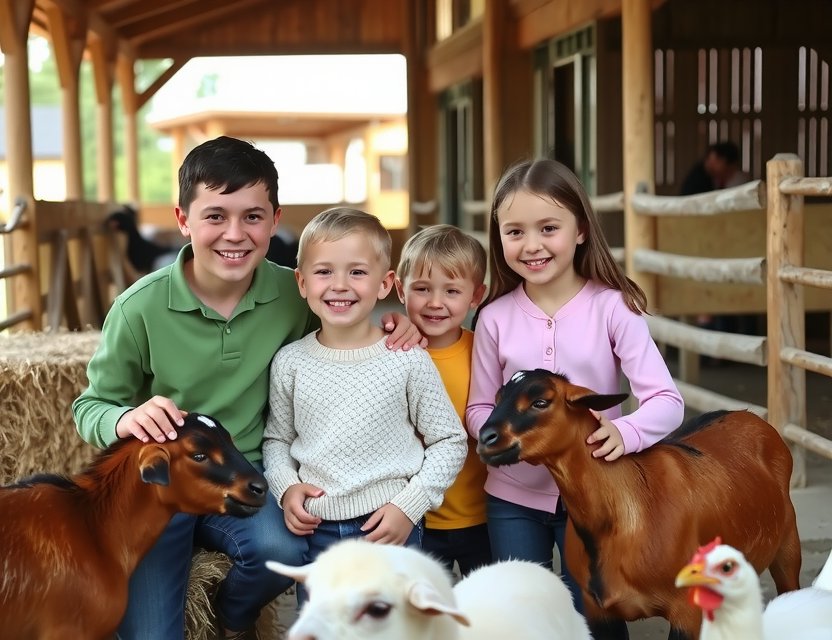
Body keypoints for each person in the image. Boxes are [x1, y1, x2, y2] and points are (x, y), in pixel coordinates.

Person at [72, 136, 421, 640]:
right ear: (182, 219)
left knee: (282, 550)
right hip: (160, 488)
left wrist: (395, 327)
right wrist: (123, 418)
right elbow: (92, 404)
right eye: (215, 216)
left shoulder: (295, 291)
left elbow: (347, 323)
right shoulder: (138, 309)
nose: (234, 234)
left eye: (252, 217)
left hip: (246, 470)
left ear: (275, 220)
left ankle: (233, 623)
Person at [466, 158, 684, 635]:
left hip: (597, 497)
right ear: (498, 237)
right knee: (519, 616)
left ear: (581, 230)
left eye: (549, 227)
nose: (532, 245)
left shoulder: (614, 308)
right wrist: (509, 440)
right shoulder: (494, 317)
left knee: (596, 618)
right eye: (514, 232)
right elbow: (481, 407)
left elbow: (666, 400)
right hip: (513, 499)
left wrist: (625, 432)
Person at [262, 208, 468, 571]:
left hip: (391, 524)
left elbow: (449, 440)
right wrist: (286, 488)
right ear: (302, 282)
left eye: (357, 272)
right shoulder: (289, 362)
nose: (340, 285)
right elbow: (277, 439)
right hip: (316, 529)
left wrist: (409, 506)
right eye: (324, 271)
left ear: (385, 284)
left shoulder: (407, 359)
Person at [395, 224, 492, 577]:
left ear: (475, 296)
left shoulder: (484, 351)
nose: (435, 302)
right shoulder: (390, 352)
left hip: (481, 514)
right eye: (422, 289)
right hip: (413, 517)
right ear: (399, 290)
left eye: (452, 291)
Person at [680, 141, 749, 195]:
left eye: (714, 161)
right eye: (709, 160)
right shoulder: (700, 177)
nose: (709, 164)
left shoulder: (739, 180)